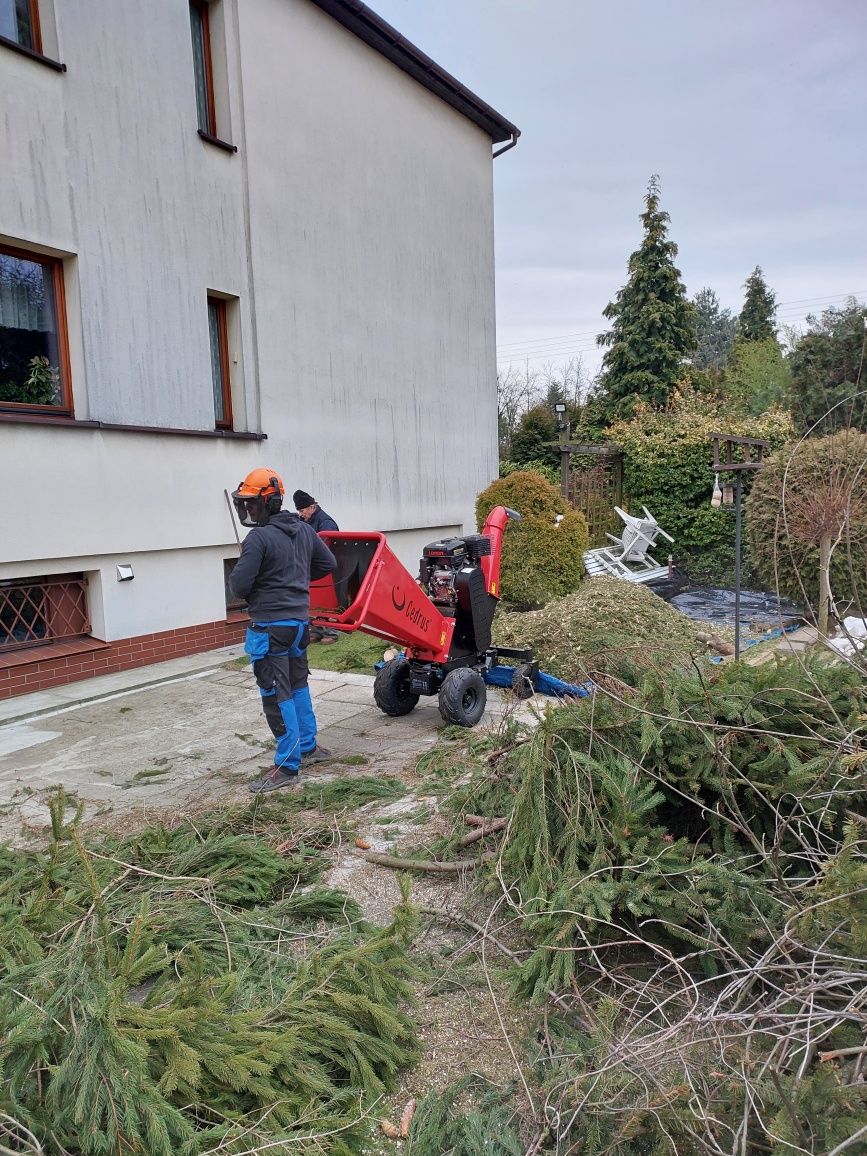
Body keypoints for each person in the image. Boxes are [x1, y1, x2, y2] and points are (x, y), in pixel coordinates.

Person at [229, 468, 337, 793]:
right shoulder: (304, 530)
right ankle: (309, 747)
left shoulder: (258, 539)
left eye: (252, 503)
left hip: (270, 628)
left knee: (277, 691)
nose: (248, 510)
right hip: (299, 624)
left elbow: (238, 586)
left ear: (269, 501)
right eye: (244, 504)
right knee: (299, 683)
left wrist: (263, 582)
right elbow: (327, 564)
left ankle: (288, 765)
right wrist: (297, 577)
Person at [293, 490, 340, 643]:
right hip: (311, 565)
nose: (300, 514)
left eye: (302, 511)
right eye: (298, 511)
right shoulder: (306, 521)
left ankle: (331, 632)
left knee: (326, 600)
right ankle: (317, 630)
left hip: (325, 567)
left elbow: (326, 545)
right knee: (313, 599)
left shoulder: (326, 523)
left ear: (312, 507)